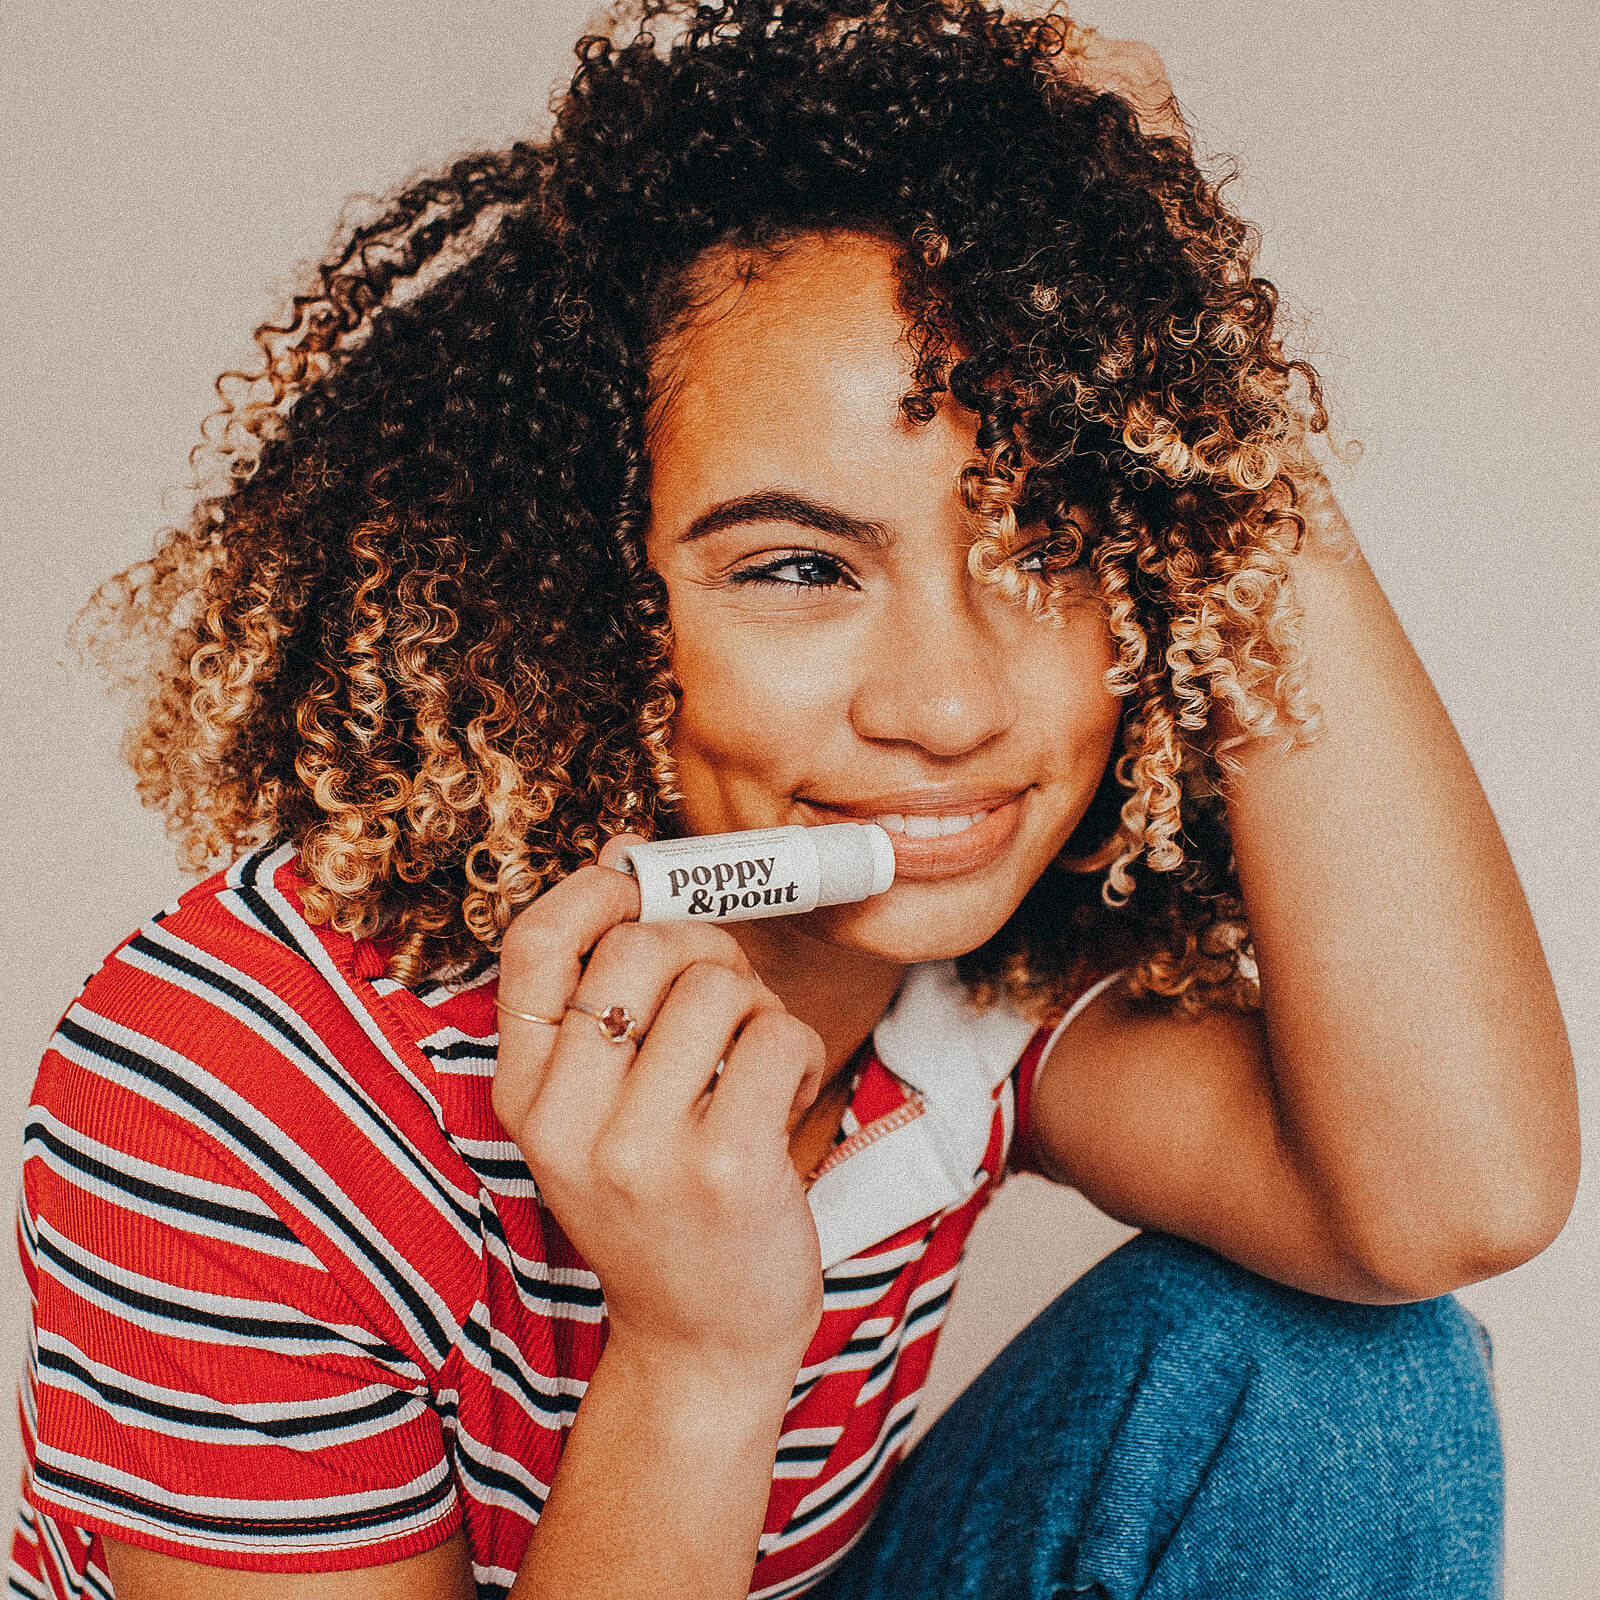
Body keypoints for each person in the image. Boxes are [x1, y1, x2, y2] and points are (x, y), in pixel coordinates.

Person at [10, 3, 1579, 1597]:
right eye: (799, 569)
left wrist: (1205, 377)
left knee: (1340, 1377)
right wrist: (699, 1350)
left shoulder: (974, 982)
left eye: (1042, 551)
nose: (951, 707)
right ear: (570, 602)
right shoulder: (233, 1092)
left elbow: (1452, 1199)